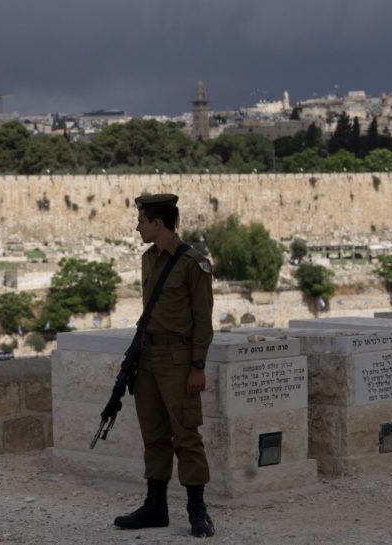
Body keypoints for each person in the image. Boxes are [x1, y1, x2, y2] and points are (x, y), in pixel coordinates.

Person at [114, 193, 215, 538]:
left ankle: (197, 510)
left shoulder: (193, 264)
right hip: (149, 358)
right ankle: (155, 506)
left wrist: (197, 365)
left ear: (158, 223)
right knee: (154, 435)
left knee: (186, 433)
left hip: (178, 359)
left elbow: (203, 320)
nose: (138, 226)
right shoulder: (147, 260)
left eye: (142, 220)